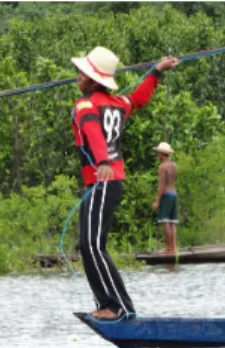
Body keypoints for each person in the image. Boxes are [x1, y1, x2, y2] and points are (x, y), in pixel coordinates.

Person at [71, 46, 178, 319]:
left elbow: (93, 131)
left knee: (93, 245)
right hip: (104, 183)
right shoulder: (120, 103)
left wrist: (103, 162)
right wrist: (155, 72)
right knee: (88, 245)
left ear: (95, 80)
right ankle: (106, 303)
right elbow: (139, 99)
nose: (77, 77)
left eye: (82, 74)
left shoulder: (85, 105)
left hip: (104, 179)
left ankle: (119, 307)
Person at [152, 142, 178, 254]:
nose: (157, 155)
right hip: (174, 194)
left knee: (165, 221)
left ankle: (168, 248)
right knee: (172, 222)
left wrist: (157, 201)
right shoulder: (174, 165)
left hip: (166, 194)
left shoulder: (162, 167)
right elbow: (173, 179)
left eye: (158, 153)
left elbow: (162, 185)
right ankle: (173, 248)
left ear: (162, 154)